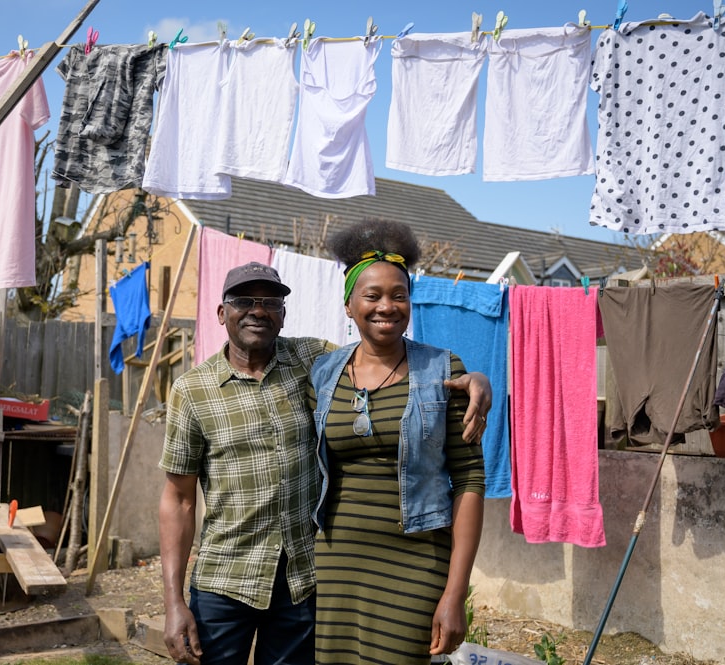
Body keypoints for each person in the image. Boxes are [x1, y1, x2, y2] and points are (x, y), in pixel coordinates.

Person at [158, 260, 491, 665]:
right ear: (221, 312)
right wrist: (173, 600)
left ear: (283, 314)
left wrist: (477, 378)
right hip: (227, 579)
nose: (258, 310)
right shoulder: (193, 391)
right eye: (244, 301)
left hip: (304, 581)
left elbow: (383, 354)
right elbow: (178, 500)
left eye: (271, 302)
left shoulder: (314, 361)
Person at [309, 220, 487, 664]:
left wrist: (455, 592)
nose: (387, 306)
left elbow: (470, 480)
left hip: (416, 558)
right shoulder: (322, 372)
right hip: (337, 560)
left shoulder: (442, 369)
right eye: (372, 295)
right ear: (349, 305)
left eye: (399, 295)